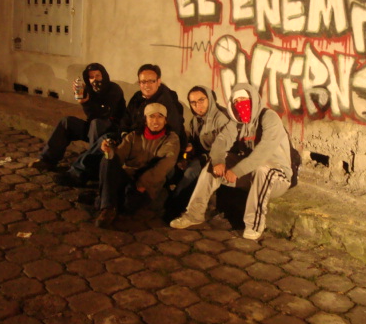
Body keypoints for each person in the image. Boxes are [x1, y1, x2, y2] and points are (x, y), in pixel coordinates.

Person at [170, 83, 293, 240]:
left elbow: (264, 150)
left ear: (253, 99)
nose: (240, 104)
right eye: (236, 101)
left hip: (277, 176)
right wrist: (218, 161)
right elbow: (222, 140)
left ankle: (254, 224)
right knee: (212, 165)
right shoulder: (237, 120)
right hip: (250, 174)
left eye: (244, 100)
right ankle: (194, 214)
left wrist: (238, 170)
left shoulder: (269, 117)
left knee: (262, 169)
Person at [64, 63, 186, 185]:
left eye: (151, 81)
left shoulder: (166, 103)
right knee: (105, 141)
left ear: (158, 81)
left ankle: (79, 174)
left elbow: (171, 131)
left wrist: (130, 138)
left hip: (149, 145)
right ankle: (85, 172)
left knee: (106, 141)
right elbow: (125, 118)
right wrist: (123, 133)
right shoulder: (138, 97)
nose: (147, 85)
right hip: (130, 137)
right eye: (143, 82)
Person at [29, 62, 125, 174]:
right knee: (67, 122)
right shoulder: (89, 89)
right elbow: (91, 115)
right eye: (91, 77)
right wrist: (83, 98)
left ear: (104, 75)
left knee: (96, 123)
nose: (95, 80)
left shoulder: (114, 89)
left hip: (111, 129)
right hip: (93, 127)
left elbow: (105, 113)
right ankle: (47, 159)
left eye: (97, 76)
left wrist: (86, 103)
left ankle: (92, 166)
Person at [95, 103, 180, 228]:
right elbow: (118, 156)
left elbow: (164, 166)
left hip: (146, 185)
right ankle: (107, 209)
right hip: (128, 176)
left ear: (165, 120)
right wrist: (109, 151)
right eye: (151, 116)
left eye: (160, 117)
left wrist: (142, 184)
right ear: (145, 120)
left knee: (127, 207)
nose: (155, 121)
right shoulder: (133, 136)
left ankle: (103, 199)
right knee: (107, 160)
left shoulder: (171, 139)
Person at [166, 85, 230, 219]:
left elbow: (224, 147)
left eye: (201, 100)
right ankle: (172, 202)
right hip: (202, 156)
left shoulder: (221, 118)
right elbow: (195, 142)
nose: (197, 106)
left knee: (191, 172)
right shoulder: (196, 119)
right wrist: (189, 149)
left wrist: (203, 157)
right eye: (193, 102)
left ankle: (175, 208)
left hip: (219, 159)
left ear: (210, 99)